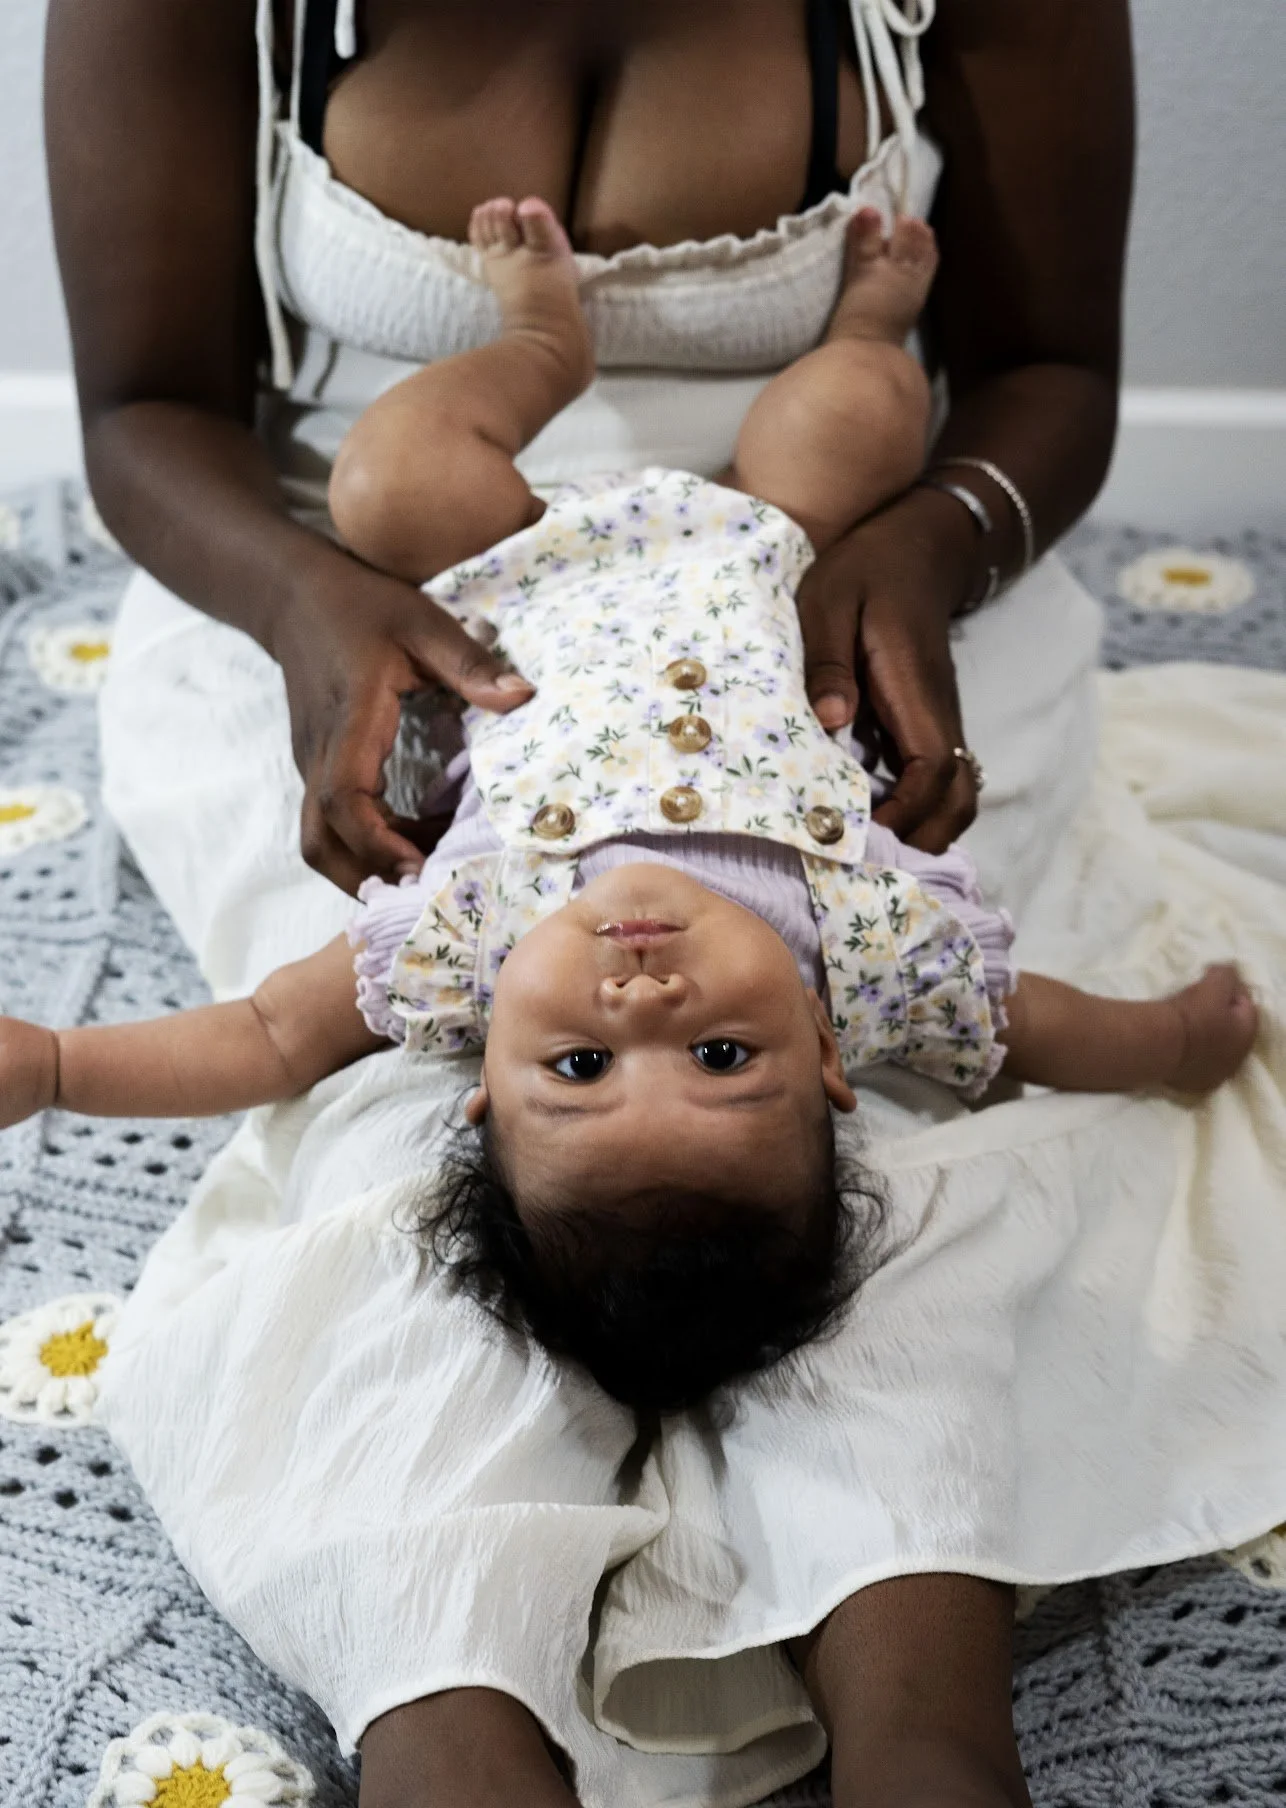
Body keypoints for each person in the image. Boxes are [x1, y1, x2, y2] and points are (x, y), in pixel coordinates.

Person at [51, 5, 1284, 1808]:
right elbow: (144, 410)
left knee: (923, 1163)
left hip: (850, 553)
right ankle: (447, 1710)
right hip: (359, 563)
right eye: (680, 1041)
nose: (636, 1008)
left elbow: (1044, 376)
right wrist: (315, 607)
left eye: (646, 1050)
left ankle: (924, 1724)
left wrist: (925, 546)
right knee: (393, 1162)